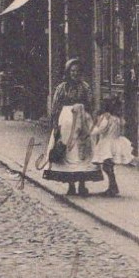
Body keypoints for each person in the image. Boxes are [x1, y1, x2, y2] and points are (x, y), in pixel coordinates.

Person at [43, 58, 103, 197]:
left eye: (77, 71)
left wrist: (91, 122)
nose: (75, 73)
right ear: (68, 72)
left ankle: (82, 185)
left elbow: (90, 105)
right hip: (65, 125)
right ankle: (71, 185)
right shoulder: (62, 88)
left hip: (83, 124)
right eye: (72, 71)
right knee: (68, 153)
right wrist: (55, 126)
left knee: (83, 154)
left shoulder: (85, 87)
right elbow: (55, 108)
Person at [91, 95, 135, 197]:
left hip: (107, 143)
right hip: (116, 142)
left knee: (107, 166)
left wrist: (91, 130)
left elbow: (100, 129)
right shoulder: (118, 118)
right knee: (109, 166)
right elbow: (121, 130)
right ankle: (112, 186)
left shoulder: (106, 117)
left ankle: (113, 187)